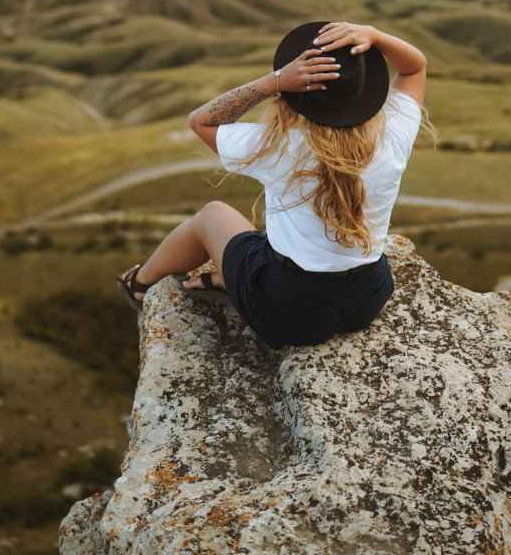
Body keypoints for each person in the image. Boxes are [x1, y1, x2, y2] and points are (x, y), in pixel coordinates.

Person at [117, 19, 434, 349]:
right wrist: (375, 35)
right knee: (276, 245)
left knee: (212, 216)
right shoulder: (393, 136)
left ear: (296, 97)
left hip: (287, 310)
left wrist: (274, 82)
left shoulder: (280, 148)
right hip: (366, 299)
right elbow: (415, 67)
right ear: (365, 91)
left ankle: (139, 284)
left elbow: (200, 121)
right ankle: (227, 277)